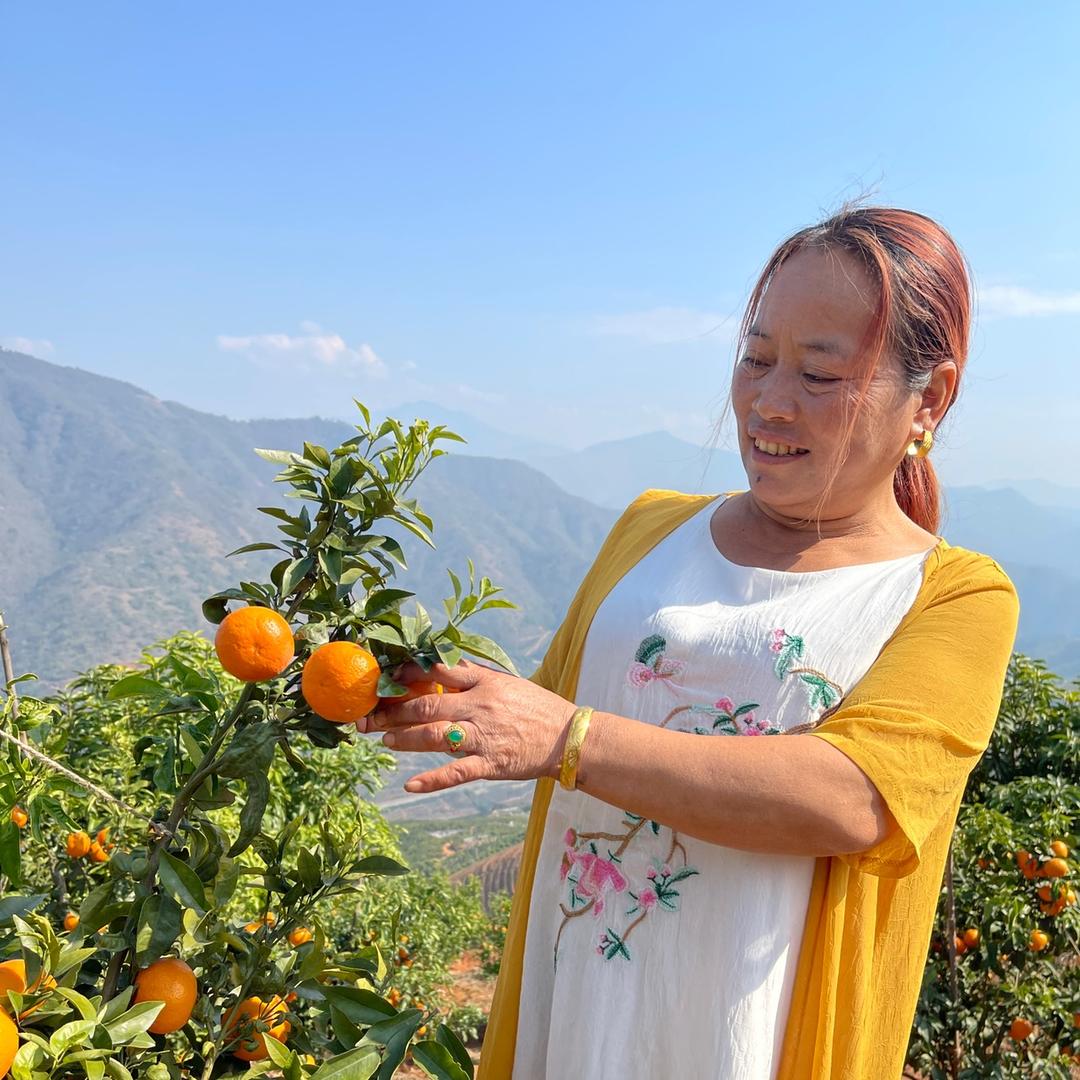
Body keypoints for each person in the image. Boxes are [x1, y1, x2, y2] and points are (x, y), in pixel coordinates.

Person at [358, 205, 1021, 1079]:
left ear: (928, 398)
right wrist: (399, 683)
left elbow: (853, 799)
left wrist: (569, 740)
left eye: (820, 374)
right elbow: (545, 711)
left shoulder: (956, 596)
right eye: (755, 358)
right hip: (577, 1024)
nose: (767, 400)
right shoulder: (649, 528)